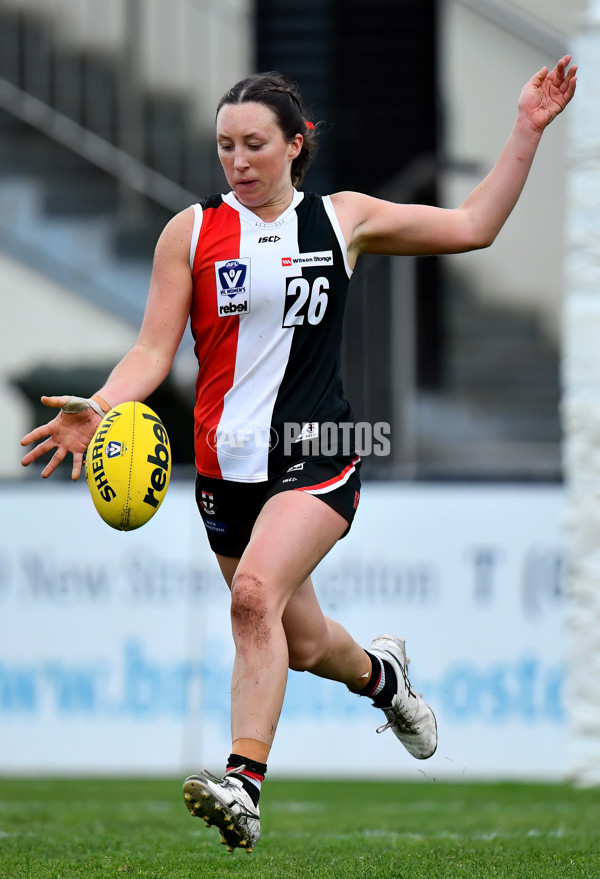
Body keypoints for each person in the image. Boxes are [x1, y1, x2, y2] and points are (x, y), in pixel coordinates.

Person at [21, 57, 576, 853]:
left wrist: (525, 127)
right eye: (224, 147)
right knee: (305, 641)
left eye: (253, 144)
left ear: (295, 145)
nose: (236, 162)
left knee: (252, 598)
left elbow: (472, 226)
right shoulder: (192, 231)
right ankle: (385, 677)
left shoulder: (342, 220)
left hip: (321, 453)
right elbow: (152, 351)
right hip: (224, 469)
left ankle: (242, 784)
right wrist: (103, 405)